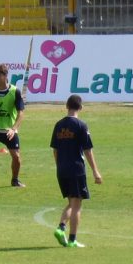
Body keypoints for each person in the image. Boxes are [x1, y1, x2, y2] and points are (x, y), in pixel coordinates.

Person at [50, 95, 103, 248]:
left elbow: (55, 150)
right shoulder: (81, 126)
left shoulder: (58, 125)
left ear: (66, 106)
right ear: (81, 107)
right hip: (76, 169)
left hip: (61, 169)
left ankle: (61, 229)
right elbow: (88, 150)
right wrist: (95, 171)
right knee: (77, 204)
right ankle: (71, 239)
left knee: (71, 202)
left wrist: (59, 165)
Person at [0, 63, 27, 188]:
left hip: (8, 131)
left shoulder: (15, 91)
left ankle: (15, 180)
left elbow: (21, 113)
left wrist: (14, 129)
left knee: (16, 157)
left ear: (5, 76)